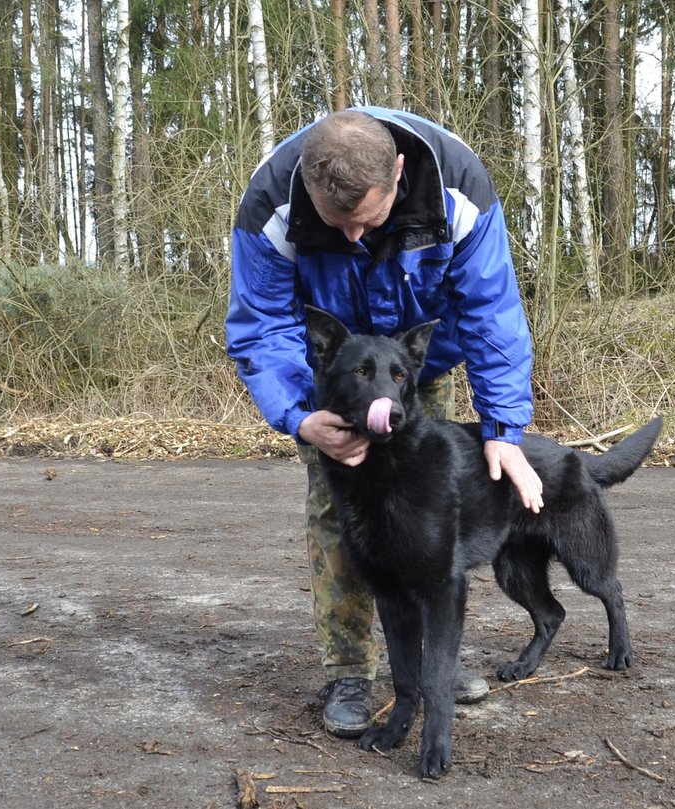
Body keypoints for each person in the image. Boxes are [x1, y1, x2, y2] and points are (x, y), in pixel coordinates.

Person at [225, 107, 544, 738]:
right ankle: (349, 669)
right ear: (309, 189)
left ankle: (436, 661)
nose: (350, 239)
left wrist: (504, 430)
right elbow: (262, 325)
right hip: (336, 379)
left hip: (418, 363)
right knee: (339, 516)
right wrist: (300, 416)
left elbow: (491, 313)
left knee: (433, 510)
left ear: (398, 175)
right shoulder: (271, 201)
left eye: (364, 222)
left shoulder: (457, 186)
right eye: (333, 224)